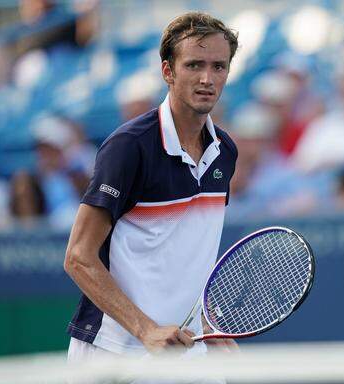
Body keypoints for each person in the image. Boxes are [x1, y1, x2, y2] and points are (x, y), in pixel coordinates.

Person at [63, 11, 238, 368]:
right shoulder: (129, 147)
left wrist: (208, 321)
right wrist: (146, 330)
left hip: (187, 348)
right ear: (168, 72)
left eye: (218, 67)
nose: (207, 78)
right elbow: (79, 257)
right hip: (112, 353)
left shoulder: (226, 152)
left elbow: (191, 252)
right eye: (194, 65)